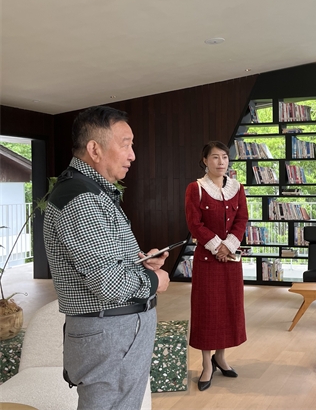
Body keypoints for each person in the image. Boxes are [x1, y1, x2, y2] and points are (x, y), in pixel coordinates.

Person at [43, 105, 171, 409]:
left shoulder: (90, 191)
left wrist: (140, 262)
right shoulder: (81, 200)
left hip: (113, 334)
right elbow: (109, 284)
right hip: (110, 336)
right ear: (94, 149)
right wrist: (154, 280)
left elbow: (104, 263)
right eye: (125, 144)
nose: (132, 155)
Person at [184, 141, 249, 391]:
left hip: (230, 260)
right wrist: (216, 246)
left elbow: (242, 219)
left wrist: (229, 246)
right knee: (207, 310)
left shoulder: (237, 188)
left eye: (224, 157)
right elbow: (194, 224)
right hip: (207, 260)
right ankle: (206, 364)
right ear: (205, 161)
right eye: (215, 157)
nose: (221, 162)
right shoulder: (196, 188)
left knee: (228, 308)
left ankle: (220, 358)